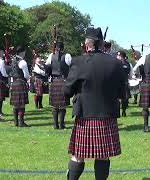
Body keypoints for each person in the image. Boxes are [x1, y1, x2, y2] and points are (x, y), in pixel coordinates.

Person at [65, 27, 125, 180]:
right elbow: (122, 93)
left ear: (87, 44)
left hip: (85, 116)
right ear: (102, 43)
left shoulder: (78, 62)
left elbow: (67, 91)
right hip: (107, 116)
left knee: (78, 155)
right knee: (103, 156)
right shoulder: (116, 63)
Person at [46, 42, 71, 129]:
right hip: (63, 81)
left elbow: (47, 67)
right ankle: (61, 124)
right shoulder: (67, 56)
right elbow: (70, 67)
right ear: (63, 48)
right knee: (63, 104)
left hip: (54, 81)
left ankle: (55, 124)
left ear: (56, 48)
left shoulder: (50, 56)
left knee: (55, 105)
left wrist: (49, 76)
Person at [10, 46, 30, 127]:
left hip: (14, 82)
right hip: (21, 82)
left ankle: (15, 122)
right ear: (22, 52)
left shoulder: (13, 60)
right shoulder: (23, 62)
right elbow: (26, 75)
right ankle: (21, 122)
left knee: (15, 104)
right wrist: (28, 80)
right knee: (21, 104)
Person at [116, 50, 133, 117]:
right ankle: (123, 111)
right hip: (125, 82)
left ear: (120, 56)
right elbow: (131, 75)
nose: (117, 56)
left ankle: (118, 112)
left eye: (118, 55)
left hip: (116, 82)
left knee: (116, 98)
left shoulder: (115, 63)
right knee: (124, 98)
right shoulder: (129, 64)